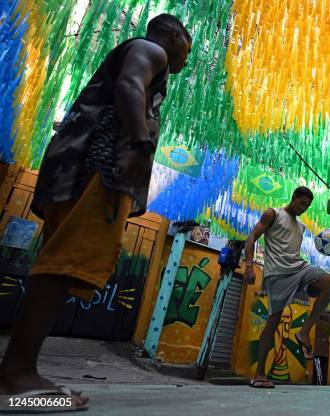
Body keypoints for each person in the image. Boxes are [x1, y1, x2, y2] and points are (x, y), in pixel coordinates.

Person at [0, 14, 192, 410]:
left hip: (75, 166)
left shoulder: (146, 56)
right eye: (187, 49)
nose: (186, 61)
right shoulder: (150, 49)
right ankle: (17, 374)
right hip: (97, 168)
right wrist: (140, 144)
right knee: (64, 262)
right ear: (174, 36)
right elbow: (129, 85)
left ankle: (18, 371)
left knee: (58, 262)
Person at [244, 187, 330, 388]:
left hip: (299, 267)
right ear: (293, 198)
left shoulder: (302, 227)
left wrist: (311, 285)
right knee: (274, 320)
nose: (304, 208)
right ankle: (259, 374)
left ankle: (303, 332)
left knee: (329, 282)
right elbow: (251, 237)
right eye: (302, 203)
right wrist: (249, 265)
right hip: (277, 274)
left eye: (308, 206)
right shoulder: (273, 214)